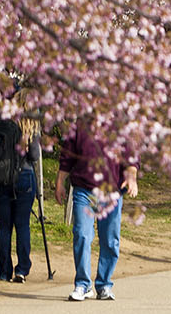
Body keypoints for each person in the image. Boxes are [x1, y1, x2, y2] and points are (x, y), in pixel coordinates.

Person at [56, 118, 138, 301]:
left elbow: (132, 159)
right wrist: (60, 182)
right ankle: (82, 284)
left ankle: (104, 284)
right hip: (84, 191)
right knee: (82, 234)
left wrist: (132, 178)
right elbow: (67, 157)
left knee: (110, 240)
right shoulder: (78, 126)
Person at [0, 114, 33, 283]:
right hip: (23, 176)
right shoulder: (28, 126)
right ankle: (22, 269)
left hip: (0, 177)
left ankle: (4, 271)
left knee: (4, 226)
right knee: (22, 224)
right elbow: (35, 156)